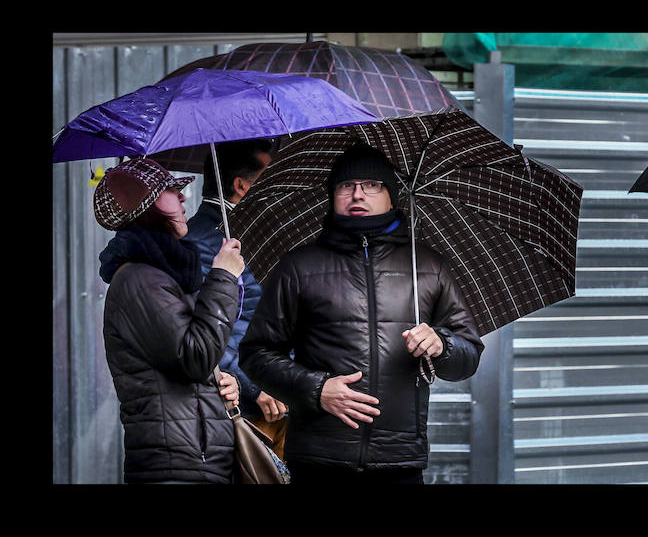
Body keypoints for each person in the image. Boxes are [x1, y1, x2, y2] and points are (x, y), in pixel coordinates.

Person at [239, 143, 485, 484]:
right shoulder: (298, 266)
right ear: (332, 195)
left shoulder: (427, 266)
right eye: (345, 186)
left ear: (392, 196)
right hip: (318, 459)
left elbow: (468, 358)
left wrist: (443, 345)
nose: (357, 194)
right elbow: (256, 355)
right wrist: (316, 389)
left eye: (372, 185)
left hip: (399, 462)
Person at [95, 157, 246, 483]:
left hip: (198, 459)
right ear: (144, 206)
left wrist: (221, 381)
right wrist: (223, 276)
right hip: (176, 466)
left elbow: (193, 359)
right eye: (170, 191)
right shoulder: (139, 280)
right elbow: (193, 357)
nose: (182, 198)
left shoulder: (163, 276)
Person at [184, 138, 289, 460]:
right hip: (248, 406)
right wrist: (254, 387)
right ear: (241, 185)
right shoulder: (205, 241)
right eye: (268, 176)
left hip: (274, 392)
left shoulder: (246, 230)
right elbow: (200, 328)